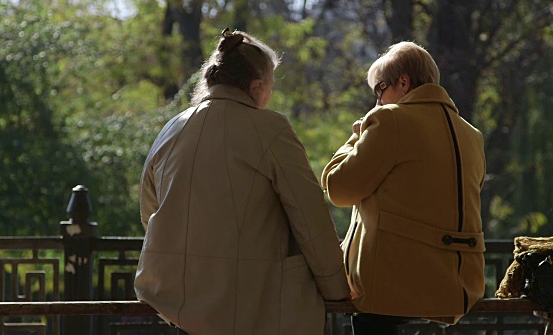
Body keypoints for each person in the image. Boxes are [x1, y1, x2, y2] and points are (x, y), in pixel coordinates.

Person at [135, 28, 350, 335]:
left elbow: (150, 212)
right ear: (255, 86)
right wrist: (336, 289)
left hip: (178, 304)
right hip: (256, 304)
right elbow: (310, 217)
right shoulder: (270, 129)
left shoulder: (171, 129)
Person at [321, 42, 486, 334]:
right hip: (460, 284)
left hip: (395, 286)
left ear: (403, 82)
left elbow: (338, 188)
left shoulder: (389, 120)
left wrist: (360, 131)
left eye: (379, 89)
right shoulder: (471, 135)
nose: (379, 100)